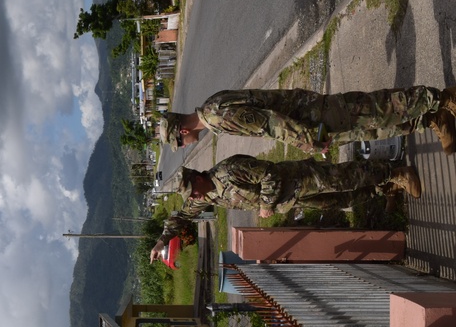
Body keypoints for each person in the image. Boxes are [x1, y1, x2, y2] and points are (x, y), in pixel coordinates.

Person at [148, 154, 421, 263]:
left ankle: (395, 172)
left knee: (345, 177)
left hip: (300, 178)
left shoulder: (230, 170)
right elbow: (181, 216)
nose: (193, 197)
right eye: (191, 196)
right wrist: (162, 241)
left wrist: (266, 205)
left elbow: (270, 174)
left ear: (197, 177)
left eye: (192, 191)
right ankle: (384, 188)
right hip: (293, 200)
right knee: (343, 201)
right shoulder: (205, 196)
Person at [159, 86, 456, 155]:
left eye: (179, 142)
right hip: (310, 119)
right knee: (374, 127)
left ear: (182, 131)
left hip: (311, 117)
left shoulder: (217, 117)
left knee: (378, 108)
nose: (183, 146)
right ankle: (432, 119)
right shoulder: (211, 107)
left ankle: (443, 98)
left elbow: (271, 123)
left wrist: (308, 143)